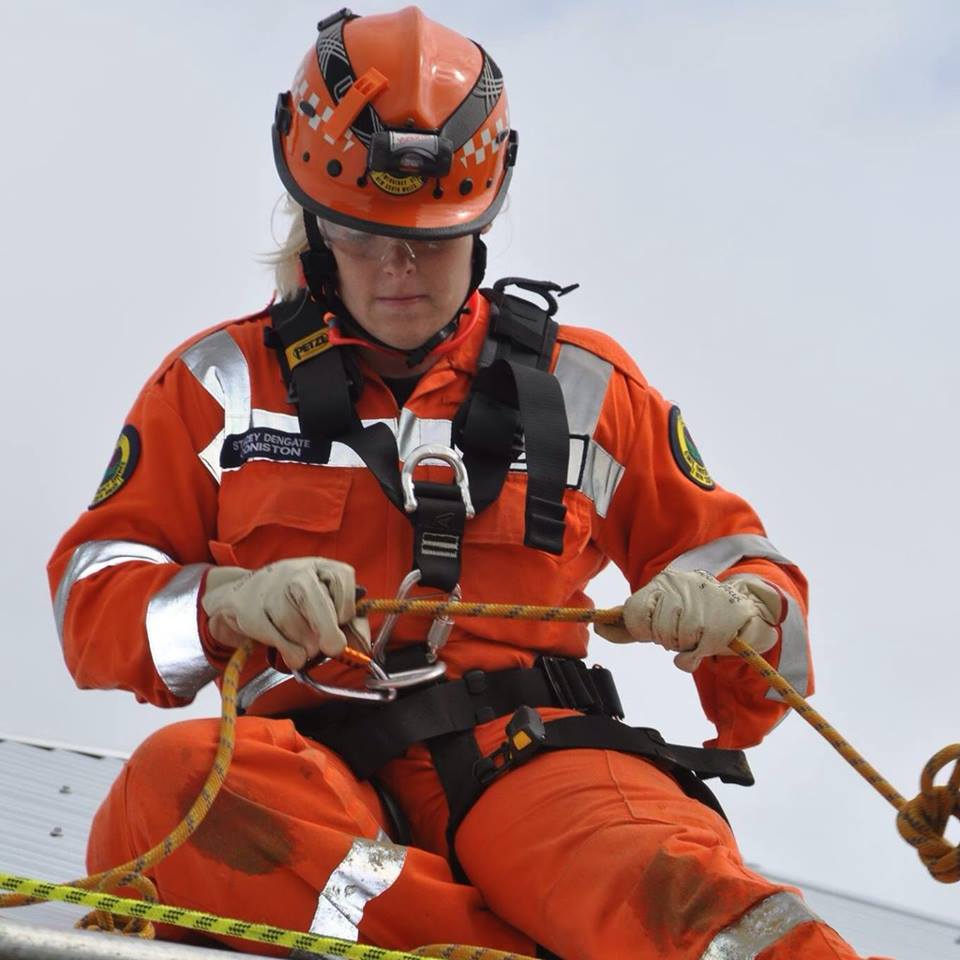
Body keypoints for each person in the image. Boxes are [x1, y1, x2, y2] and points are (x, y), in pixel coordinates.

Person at [48, 8, 886, 960]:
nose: (398, 269)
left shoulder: (586, 387)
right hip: (307, 774)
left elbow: (757, 606)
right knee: (171, 791)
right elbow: (92, 599)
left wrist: (736, 610)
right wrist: (228, 601)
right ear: (316, 224)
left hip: (536, 760)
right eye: (366, 237)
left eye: (431, 239)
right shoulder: (215, 387)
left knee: (695, 906)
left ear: (483, 218)